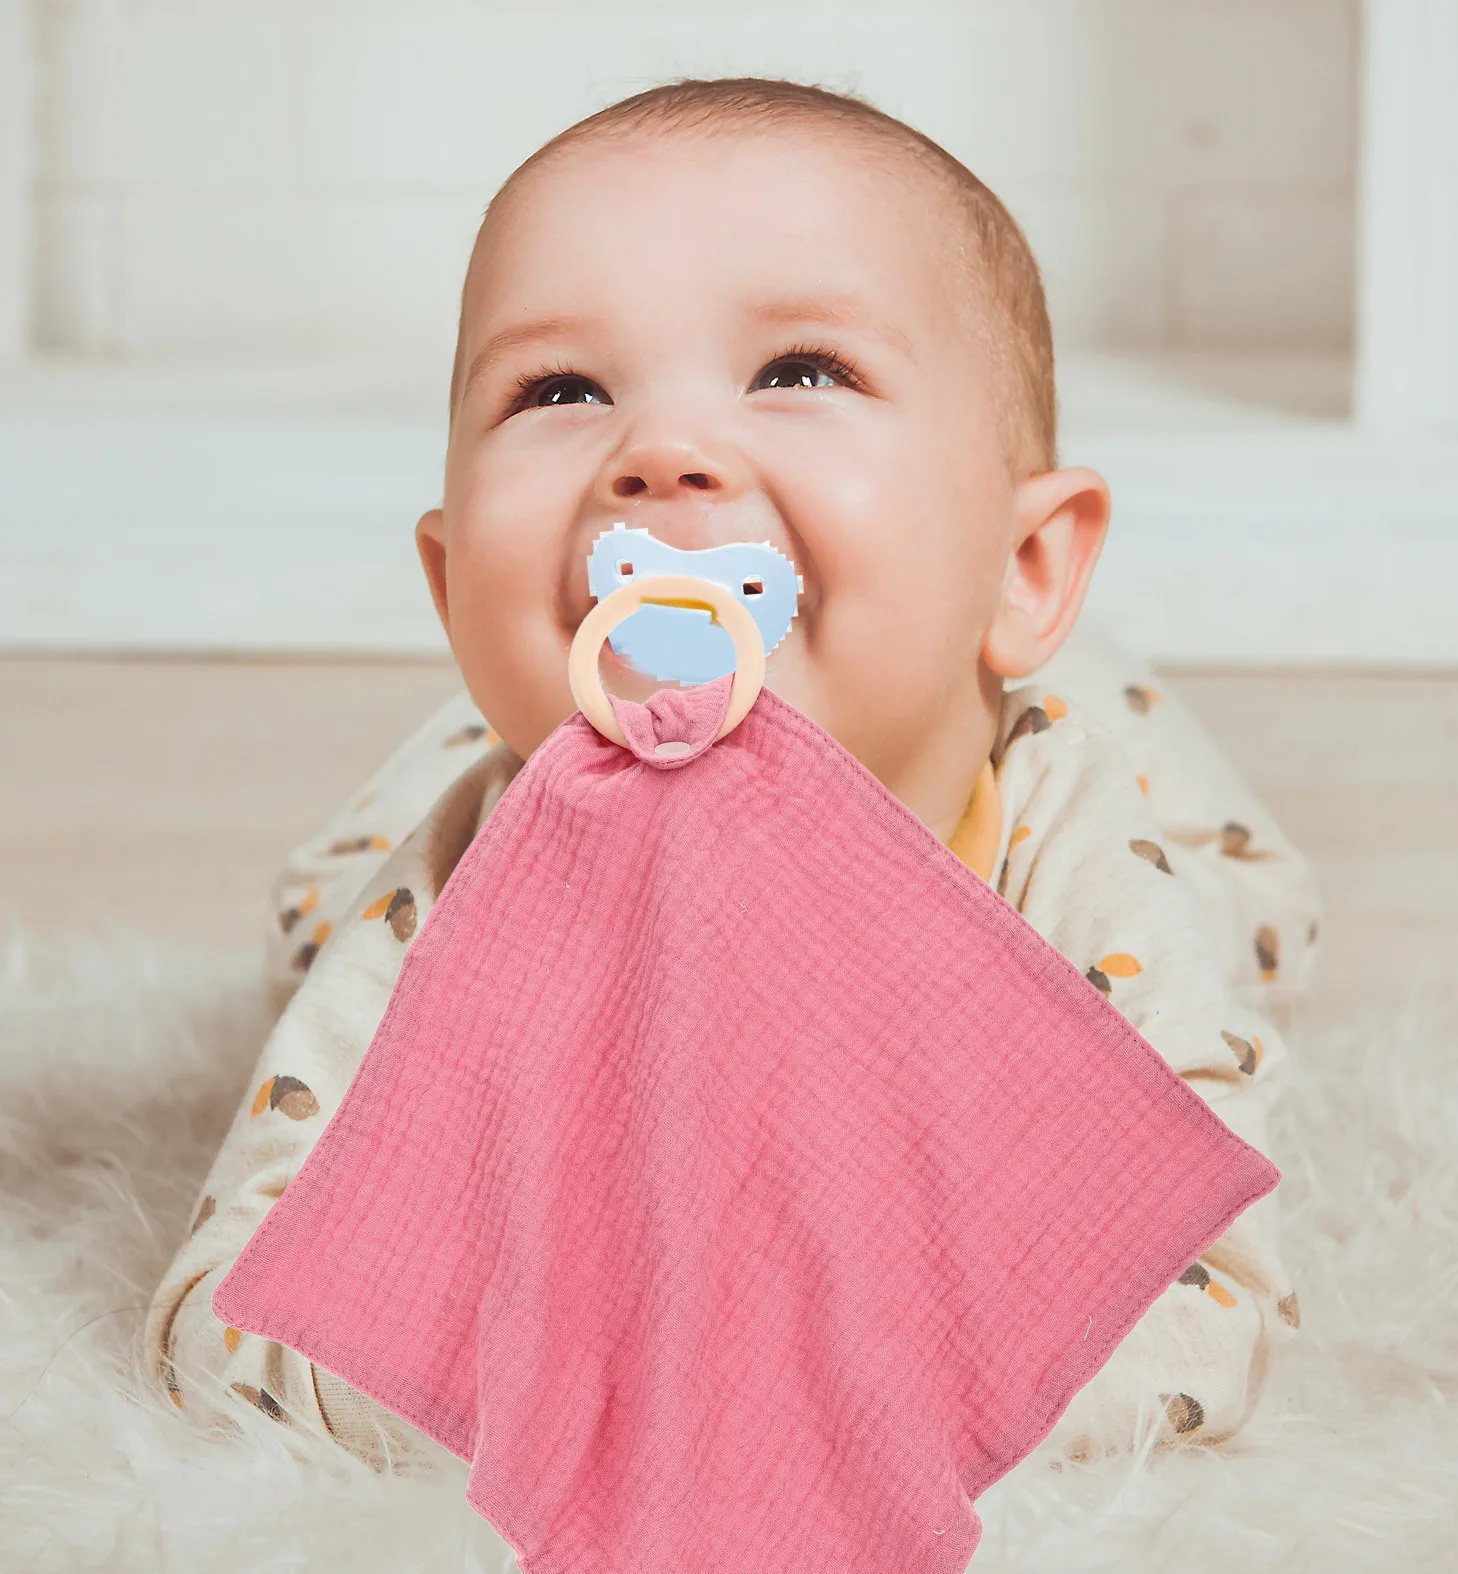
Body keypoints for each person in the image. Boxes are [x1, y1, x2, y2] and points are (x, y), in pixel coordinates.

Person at [144, 78, 1320, 1474]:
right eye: (559, 391)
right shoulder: (473, 877)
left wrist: (828, 1384)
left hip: (1080, 741)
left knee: (1258, 916)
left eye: (800, 371)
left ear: (1024, 565)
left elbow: (1206, 1307)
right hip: (503, 777)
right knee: (319, 920)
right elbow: (233, 1319)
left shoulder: (1077, 869)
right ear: (454, 586)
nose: (661, 453)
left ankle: (1074, 655)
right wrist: (601, 1381)